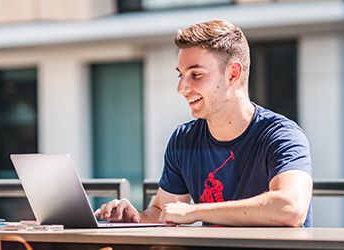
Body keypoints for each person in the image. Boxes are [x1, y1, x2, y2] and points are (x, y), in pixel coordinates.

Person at [96, 20, 313, 227]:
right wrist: (132, 217)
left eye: (196, 74)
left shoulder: (281, 136)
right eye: (181, 75)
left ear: (233, 74)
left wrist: (195, 211)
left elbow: (291, 208)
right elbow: (161, 213)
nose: (181, 88)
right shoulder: (184, 139)